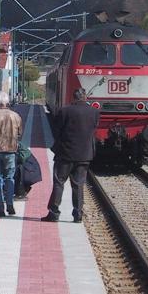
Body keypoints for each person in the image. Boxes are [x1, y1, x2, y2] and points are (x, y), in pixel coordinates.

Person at [43, 87, 100, 223]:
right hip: (84, 155)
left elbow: (56, 131)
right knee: (78, 185)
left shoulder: (65, 111)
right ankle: (78, 214)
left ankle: (54, 212)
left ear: (73, 97)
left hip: (65, 154)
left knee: (59, 183)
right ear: (85, 97)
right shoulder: (94, 112)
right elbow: (93, 130)